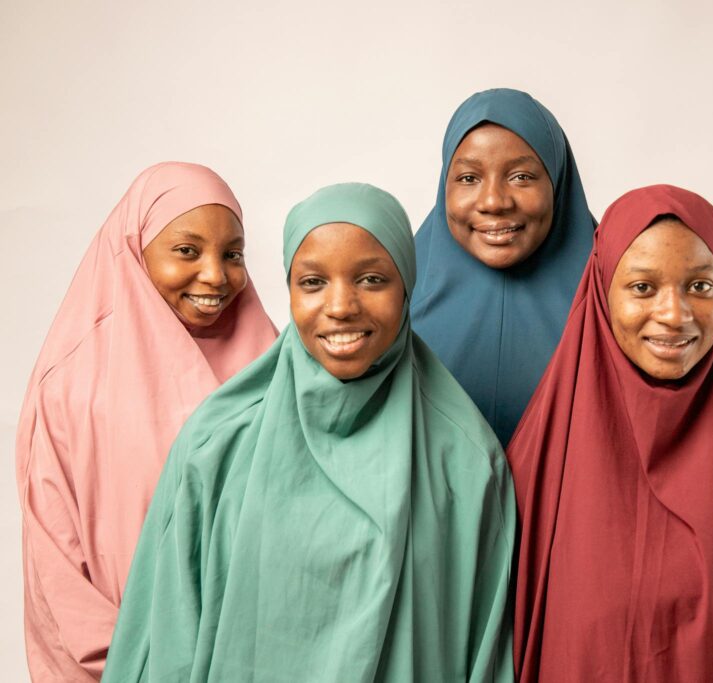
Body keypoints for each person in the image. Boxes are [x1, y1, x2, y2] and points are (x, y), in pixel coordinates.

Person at [104, 183, 515, 682]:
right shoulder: (219, 441)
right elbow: (163, 634)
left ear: (407, 285)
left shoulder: (466, 459)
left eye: (371, 279)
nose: (341, 306)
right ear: (290, 290)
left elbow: (487, 652)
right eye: (313, 282)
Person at [508, 184, 713, 682]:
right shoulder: (540, 459)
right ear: (600, 289)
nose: (674, 314)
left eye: (700, 287)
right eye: (642, 287)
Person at [15, 162, 277, 681]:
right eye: (187, 250)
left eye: (233, 254)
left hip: (256, 659)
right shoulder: (71, 384)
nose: (215, 275)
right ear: (136, 248)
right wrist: (138, 664)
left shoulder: (274, 361)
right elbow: (56, 565)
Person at [411, 88, 596, 445]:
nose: (494, 202)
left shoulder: (620, 294)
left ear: (557, 181)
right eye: (468, 178)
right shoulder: (391, 296)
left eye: (521, 177)